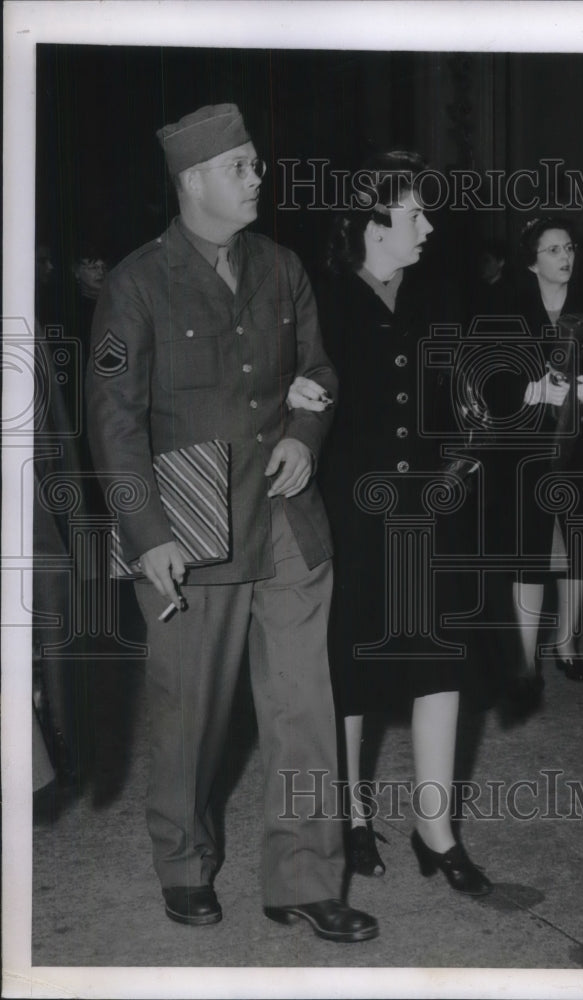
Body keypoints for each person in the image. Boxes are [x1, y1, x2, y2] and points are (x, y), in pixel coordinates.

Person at [86, 104, 378, 942]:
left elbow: (317, 370)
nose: (258, 177)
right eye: (241, 166)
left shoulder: (283, 268)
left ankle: (306, 878)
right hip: (189, 526)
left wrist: (304, 434)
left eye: (255, 163)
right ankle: (183, 864)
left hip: (286, 520)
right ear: (193, 181)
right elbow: (113, 420)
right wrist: (148, 538)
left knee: (303, 711)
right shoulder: (135, 283)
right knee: (190, 712)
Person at [296, 152, 491, 896]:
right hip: (350, 508)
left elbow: (469, 394)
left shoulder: (441, 296)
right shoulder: (320, 300)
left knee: (441, 662)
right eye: (415, 213)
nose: (428, 226)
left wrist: (471, 452)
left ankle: (434, 828)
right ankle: (348, 817)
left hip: (431, 511)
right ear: (374, 223)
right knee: (348, 666)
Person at [494, 217, 583, 685]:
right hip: (528, 445)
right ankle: (525, 657)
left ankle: (566, 643)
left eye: (568, 247)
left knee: (579, 546)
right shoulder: (506, 307)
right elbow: (487, 374)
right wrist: (531, 391)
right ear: (532, 262)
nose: (565, 257)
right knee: (528, 548)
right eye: (552, 250)